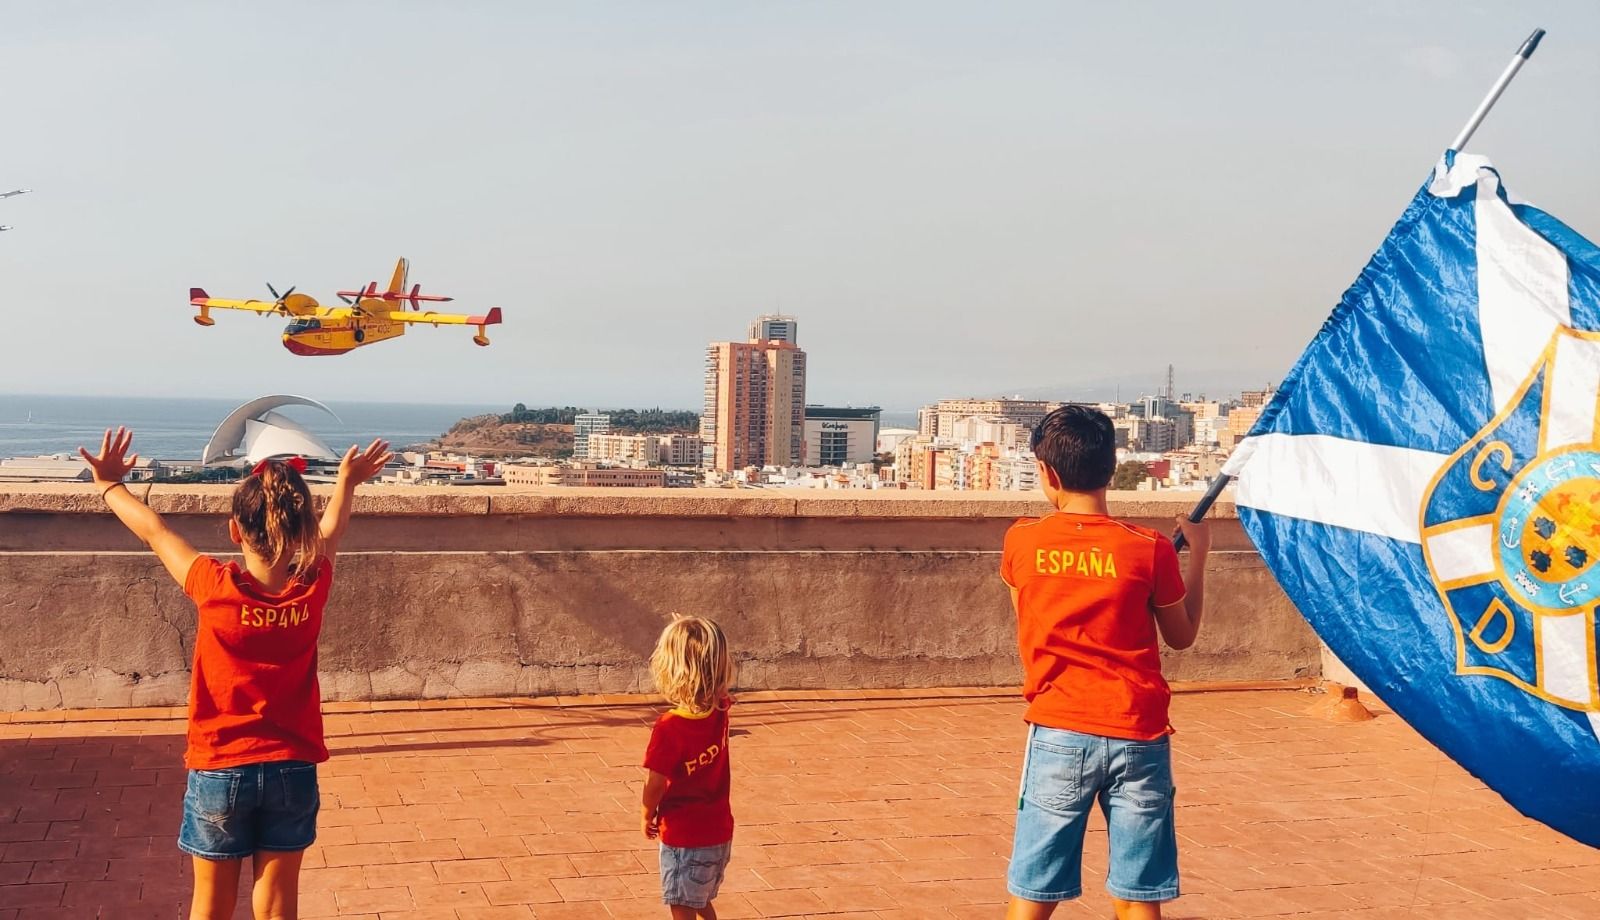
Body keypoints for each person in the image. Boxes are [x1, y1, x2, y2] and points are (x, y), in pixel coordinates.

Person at [78, 427, 391, 920]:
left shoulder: (212, 585)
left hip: (220, 766)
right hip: (292, 766)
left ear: (234, 530)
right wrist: (347, 483)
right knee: (278, 902)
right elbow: (332, 533)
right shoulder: (311, 588)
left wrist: (110, 484)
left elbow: (155, 531)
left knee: (212, 903)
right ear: (302, 532)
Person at [1000, 406, 1210, 920]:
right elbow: (1180, 637)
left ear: (1046, 473)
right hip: (1138, 731)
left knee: (1033, 889)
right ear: (1113, 468)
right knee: (1139, 892)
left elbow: (1031, 619)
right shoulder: (1150, 549)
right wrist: (1198, 557)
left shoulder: (1022, 541)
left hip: (1059, 730)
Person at [640, 616, 737, 920]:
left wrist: (646, 812)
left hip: (685, 836)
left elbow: (655, 783)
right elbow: (720, 693)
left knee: (682, 905)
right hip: (718, 832)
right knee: (698, 899)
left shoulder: (670, 727)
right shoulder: (720, 708)